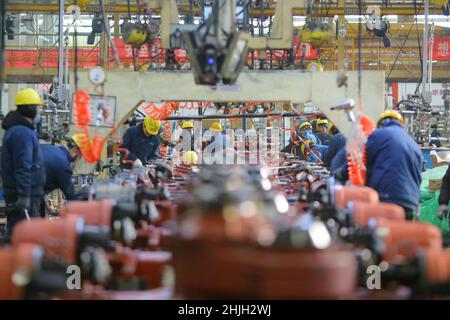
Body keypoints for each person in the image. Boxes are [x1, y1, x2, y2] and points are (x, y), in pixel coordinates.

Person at [1, 88, 46, 241]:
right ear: (30, 108)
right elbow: (23, 166)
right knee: (22, 235)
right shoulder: (22, 133)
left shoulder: (21, 130)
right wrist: (24, 195)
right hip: (24, 195)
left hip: (25, 193)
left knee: (18, 233)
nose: (39, 112)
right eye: (38, 108)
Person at [365, 109, 422, 220]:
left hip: (387, 197)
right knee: (403, 235)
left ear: (381, 124)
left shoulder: (379, 134)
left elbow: (361, 159)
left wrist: (341, 173)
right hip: (411, 202)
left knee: (380, 235)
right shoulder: (414, 144)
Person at [39, 136, 82, 216]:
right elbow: (72, 197)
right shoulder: (64, 165)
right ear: (75, 149)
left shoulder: (49, 148)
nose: (78, 160)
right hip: (28, 199)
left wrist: (43, 203)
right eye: (80, 156)